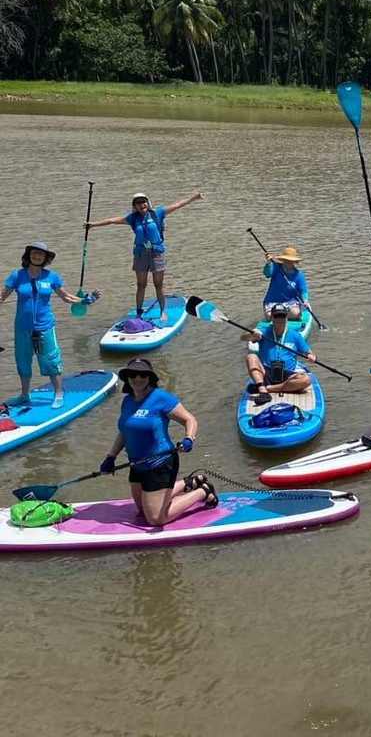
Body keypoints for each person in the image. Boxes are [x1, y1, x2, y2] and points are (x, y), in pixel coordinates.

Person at [97, 358, 212, 525]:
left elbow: (189, 419)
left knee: (156, 519)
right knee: (142, 511)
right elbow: (125, 432)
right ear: (127, 378)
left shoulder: (161, 398)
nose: (137, 378)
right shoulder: (127, 401)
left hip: (160, 464)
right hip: (136, 464)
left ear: (150, 378)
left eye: (143, 374)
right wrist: (111, 457)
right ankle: (189, 482)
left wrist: (188, 439)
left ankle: (203, 491)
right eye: (133, 374)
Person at [1, 241, 100, 408]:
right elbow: (2, 297)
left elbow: (66, 297)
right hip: (22, 328)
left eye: (41, 254)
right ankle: (25, 395)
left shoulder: (51, 276)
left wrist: (85, 300)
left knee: (51, 361)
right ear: (29, 255)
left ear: (46, 258)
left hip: (44, 327)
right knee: (23, 361)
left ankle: (58, 393)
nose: (37, 256)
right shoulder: (16, 276)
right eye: (34, 253)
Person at [86, 190, 203, 321]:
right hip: (140, 254)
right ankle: (139, 312)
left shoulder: (157, 213)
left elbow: (177, 205)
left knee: (158, 284)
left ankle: (162, 312)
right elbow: (112, 220)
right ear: (134, 206)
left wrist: (193, 197)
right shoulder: (132, 218)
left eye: (143, 201)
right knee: (141, 285)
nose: (142, 204)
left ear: (147, 202)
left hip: (156, 253)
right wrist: (93, 225)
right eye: (138, 203)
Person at [241, 303, 317, 405]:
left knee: (306, 380)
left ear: (286, 318)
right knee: (251, 356)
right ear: (272, 318)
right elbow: (243, 338)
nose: (279, 319)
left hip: (286, 374)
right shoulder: (264, 332)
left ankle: (266, 388)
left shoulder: (295, 335)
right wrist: (251, 333)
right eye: (277, 316)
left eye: (282, 316)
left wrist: (311, 356)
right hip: (266, 372)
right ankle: (263, 391)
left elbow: (309, 352)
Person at [261, 246, 309, 321]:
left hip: (290, 302)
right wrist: (269, 263)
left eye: (291, 260)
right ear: (283, 260)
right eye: (286, 260)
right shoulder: (276, 267)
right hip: (272, 301)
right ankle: (280, 317)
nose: (288, 262)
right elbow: (267, 274)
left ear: (295, 262)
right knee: (268, 316)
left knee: (295, 314)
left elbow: (303, 290)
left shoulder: (299, 275)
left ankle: (281, 317)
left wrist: (305, 300)